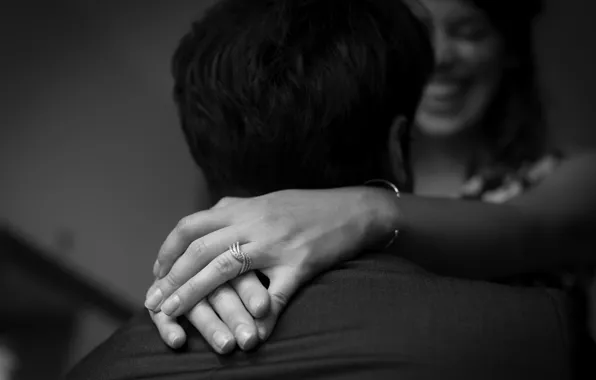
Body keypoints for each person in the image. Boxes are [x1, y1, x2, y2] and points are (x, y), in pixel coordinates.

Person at [66, 0, 575, 378]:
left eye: (468, 28)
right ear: (399, 144)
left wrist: (370, 209)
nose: (441, 57)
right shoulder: (536, 337)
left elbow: (537, 227)